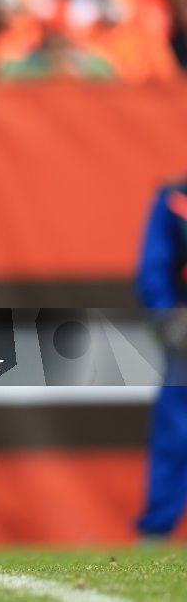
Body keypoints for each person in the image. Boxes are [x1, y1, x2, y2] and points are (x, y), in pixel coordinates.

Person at [136, 176, 187, 540]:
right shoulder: (176, 199)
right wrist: (168, 315)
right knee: (176, 430)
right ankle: (157, 528)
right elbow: (154, 265)